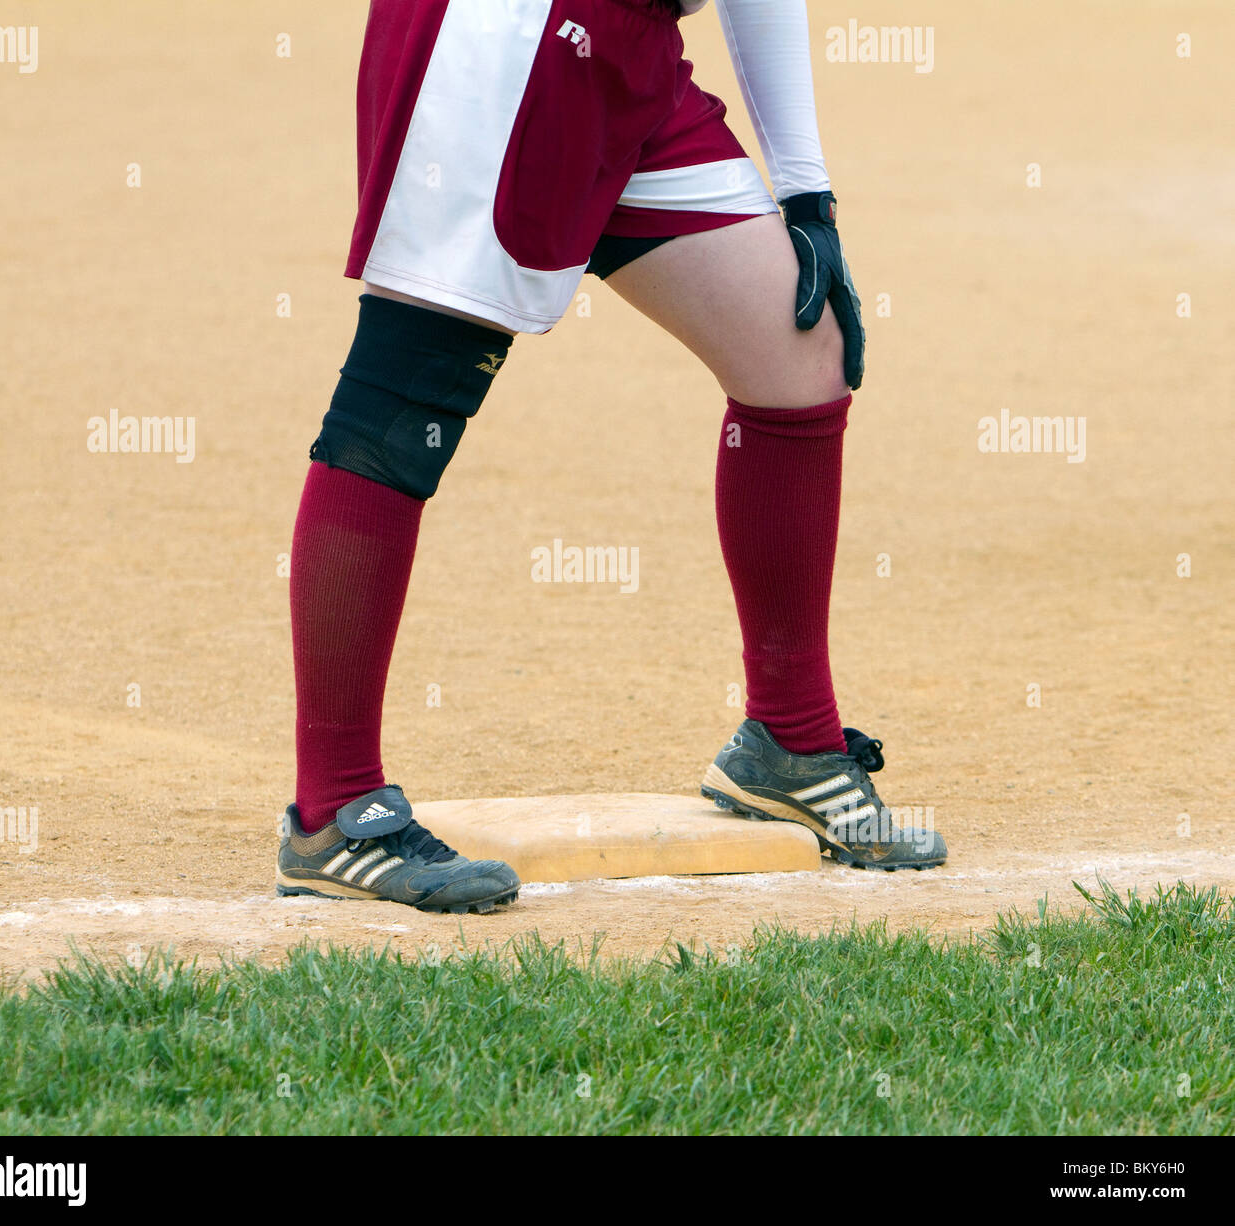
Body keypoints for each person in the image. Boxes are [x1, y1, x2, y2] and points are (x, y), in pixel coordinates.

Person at [275, 0, 947, 913]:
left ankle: (790, 740)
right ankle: (334, 809)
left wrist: (805, 193)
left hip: (627, 56)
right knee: (399, 411)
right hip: (501, 48)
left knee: (799, 355)